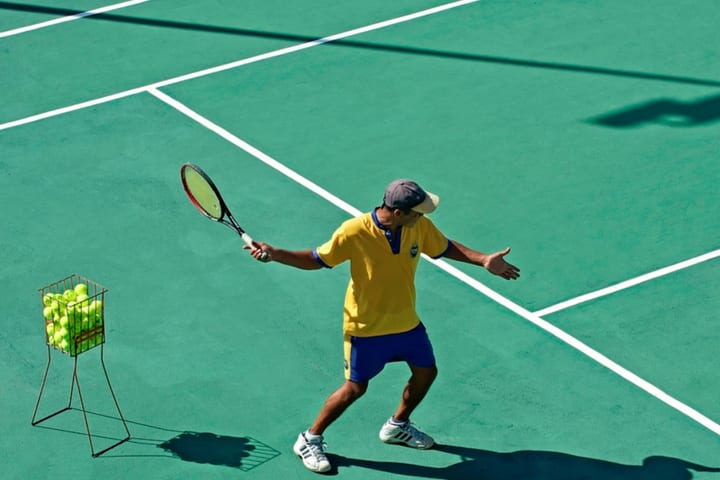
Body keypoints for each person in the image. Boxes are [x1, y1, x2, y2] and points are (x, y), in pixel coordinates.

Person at [243, 179, 520, 473]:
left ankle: (397, 425)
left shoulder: (418, 227)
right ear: (399, 212)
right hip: (366, 327)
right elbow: (317, 259)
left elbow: (444, 247)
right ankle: (309, 439)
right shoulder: (354, 231)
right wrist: (276, 254)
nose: (423, 216)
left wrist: (483, 260)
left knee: (426, 372)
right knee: (355, 388)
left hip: (405, 321)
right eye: (418, 211)